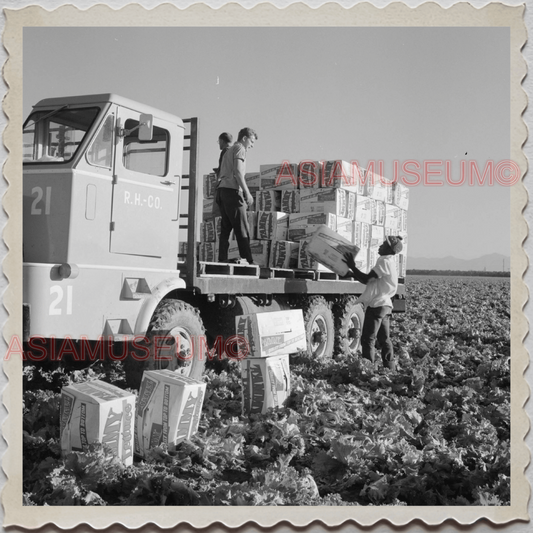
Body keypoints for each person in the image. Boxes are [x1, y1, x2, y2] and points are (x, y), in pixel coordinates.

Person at [343, 235, 404, 371]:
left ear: (389, 248)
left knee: (368, 339)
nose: (380, 246)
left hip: (377, 305)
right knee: (384, 339)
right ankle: (391, 368)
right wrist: (353, 274)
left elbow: (367, 279)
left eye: (383, 244)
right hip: (386, 306)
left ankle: (367, 369)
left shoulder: (383, 261)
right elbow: (371, 280)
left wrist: (352, 266)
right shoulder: (390, 263)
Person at [216, 127, 258, 264]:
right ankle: (249, 260)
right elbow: (238, 172)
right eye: (251, 142)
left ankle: (222, 258)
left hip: (223, 191)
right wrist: (247, 192)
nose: (252, 146)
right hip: (233, 191)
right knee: (242, 228)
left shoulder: (228, 151)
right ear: (244, 138)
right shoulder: (240, 148)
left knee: (226, 228)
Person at [212, 132, 233, 217]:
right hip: (232, 186)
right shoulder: (234, 150)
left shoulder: (225, 150)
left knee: (216, 213)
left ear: (222, 141)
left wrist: (217, 184)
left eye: (219, 141)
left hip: (223, 185)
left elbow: (223, 169)